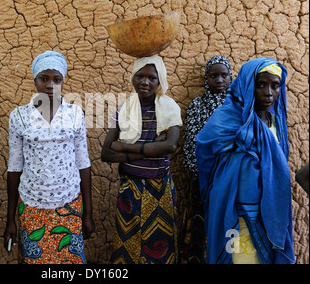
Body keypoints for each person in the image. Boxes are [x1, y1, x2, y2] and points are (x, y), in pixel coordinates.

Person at [196, 57, 295, 264]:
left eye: (275, 86)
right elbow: (204, 147)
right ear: (248, 85)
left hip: (269, 209)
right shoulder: (229, 118)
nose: (268, 93)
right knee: (239, 257)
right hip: (235, 209)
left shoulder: (276, 122)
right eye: (261, 85)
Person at [4, 50, 94, 264]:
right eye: (44, 78)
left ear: (63, 81)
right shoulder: (19, 117)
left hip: (69, 205)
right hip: (33, 207)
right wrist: (10, 219)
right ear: (35, 80)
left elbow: (83, 163)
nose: (50, 85)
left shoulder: (74, 114)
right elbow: (15, 167)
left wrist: (88, 212)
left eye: (57, 79)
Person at [101, 55, 183, 264]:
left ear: (160, 81)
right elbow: (107, 153)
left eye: (151, 78)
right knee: (127, 245)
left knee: (160, 248)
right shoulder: (125, 109)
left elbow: (171, 145)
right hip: (130, 189)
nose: (145, 82)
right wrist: (152, 148)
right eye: (140, 76)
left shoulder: (168, 108)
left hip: (159, 189)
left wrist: (125, 147)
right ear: (133, 78)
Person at [180, 55, 232, 263]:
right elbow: (192, 142)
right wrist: (205, 173)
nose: (219, 80)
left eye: (224, 75)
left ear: (231, 77)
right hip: (203, 178)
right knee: (200, 223)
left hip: (231, 178)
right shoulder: (197, 105)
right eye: (213, 76)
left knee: (227, 224)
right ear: (206, 79)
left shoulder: (237, 106)